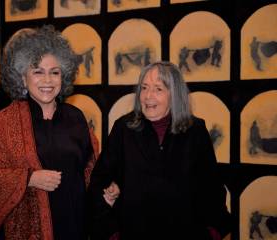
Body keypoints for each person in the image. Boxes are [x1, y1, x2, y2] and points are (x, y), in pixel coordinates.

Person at [0, 25, 118, 240]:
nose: (47, 81)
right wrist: (29, 178)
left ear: (64, 76)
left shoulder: (76, 118)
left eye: (55, 72)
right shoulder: (5, 121)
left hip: (74, 226)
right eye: (38, 72)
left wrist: (107, 193)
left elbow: (91, 172)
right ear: (23, 78)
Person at [88, 61, 231, 240]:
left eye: (158, 89)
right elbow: (98, 182)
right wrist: (111, 232)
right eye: (144, 88)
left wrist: (213, 232)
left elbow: (212, 188)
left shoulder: (196, 130)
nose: (148, 96)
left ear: (174, 95)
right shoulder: (123, 129)